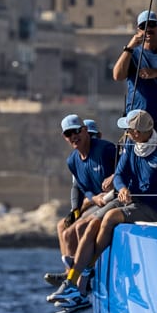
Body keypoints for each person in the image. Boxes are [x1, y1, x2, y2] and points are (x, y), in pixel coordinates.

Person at [53, 109, 157, 313]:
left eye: (130, 130)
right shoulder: (132, 145)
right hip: (131, 201)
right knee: (87, 224)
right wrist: (122, 187)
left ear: (140, 131)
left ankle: (85, 272)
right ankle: (72, 281)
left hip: (153, 207)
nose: (127, 133)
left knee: (109, 217)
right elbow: (120, 175)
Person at [49, 114, 116, 291]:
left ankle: (80, 278)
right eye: (68, 134)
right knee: (62, 226)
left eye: (77, 132)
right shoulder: (73, 160)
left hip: (108, 200)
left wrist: (112, 182)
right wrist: (76, 210)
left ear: (86, 132)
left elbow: (125, 170)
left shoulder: (105, 150)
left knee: (75, 229)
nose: (73, 137)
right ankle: (69, 272)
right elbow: (79, 188)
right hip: (90, 202)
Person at [110, 11, 157, 136]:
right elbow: (117, 75)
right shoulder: (132, 54)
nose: (148, 29)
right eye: (143, 27)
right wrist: (129, 47)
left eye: (152, 25)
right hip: (136, 123)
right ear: (138, 30)